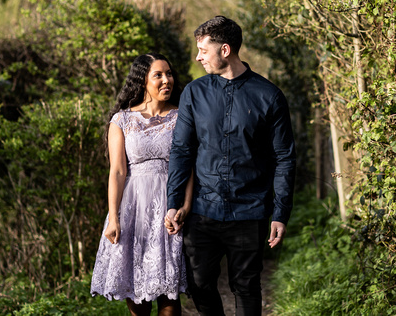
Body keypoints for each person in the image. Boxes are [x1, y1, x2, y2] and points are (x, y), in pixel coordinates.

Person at [165, 16, 296, 316]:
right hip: (201, 210)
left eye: (202, 50)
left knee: (246, 286)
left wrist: (281, 212)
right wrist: (174, 202)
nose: (197, 57)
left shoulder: (270, 96)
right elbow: (182, 150)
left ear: (225, 50)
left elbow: (284, 158)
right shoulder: (193, 93)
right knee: (199, 284)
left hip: (249, 210)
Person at [91, 53, 193, 316]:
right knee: (137, 294)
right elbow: (117, 171)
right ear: (142, 81)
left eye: (169, 73)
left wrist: (186, 206)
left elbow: (189, 167)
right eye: (158, 74)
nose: (166, 80)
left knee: (169, 295)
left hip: (170, 209)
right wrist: (114, 218)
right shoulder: (122, 120)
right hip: (133, 210)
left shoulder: (183, 117)